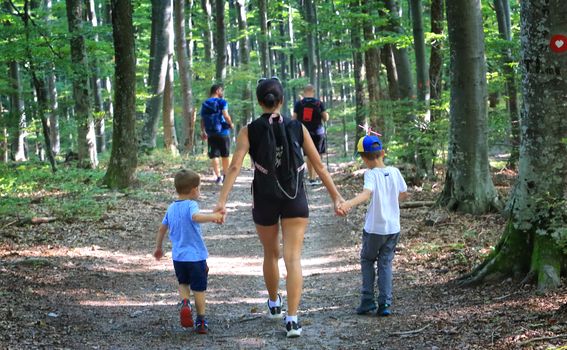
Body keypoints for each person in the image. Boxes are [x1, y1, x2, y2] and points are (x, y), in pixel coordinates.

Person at [214, 77, 345, 338]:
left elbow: (235, 166)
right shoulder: (298, 128)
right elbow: (318, 166)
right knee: (293, 257)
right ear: (283, 101)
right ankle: (293, 320)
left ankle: (274, 304)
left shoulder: (248, 130)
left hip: (265, 197)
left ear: (259, 101)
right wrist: (336, 197)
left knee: (271, 253)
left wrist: (221, 202)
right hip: (295, 196)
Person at [338, 135, 408, 316]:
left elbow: (366, 195)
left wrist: (348, 204)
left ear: (363, 158)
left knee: (367, 260)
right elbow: (403, 193)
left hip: (374, 228)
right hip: (393, 228)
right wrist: (393, 203)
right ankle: (384, 304)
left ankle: (367, 300)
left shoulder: (370, 174)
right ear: (382, 153)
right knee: (385, 263)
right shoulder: (395, 172)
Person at [153, 169, 223, 334]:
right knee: (199, 288)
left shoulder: (171, 207)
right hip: (196, 257)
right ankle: (201, 320)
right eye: (198, 188)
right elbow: (195, 217)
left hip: (178, 258)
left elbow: (162, 229)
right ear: (193, 189)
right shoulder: (192, 204)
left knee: (183, 283)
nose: (199, 191)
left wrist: (158, 248)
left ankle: (185, 303)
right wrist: (214, 216)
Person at [292, 84, 330, 185]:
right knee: (318, 154)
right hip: (318, 132)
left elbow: (293, 119)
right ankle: (315, 177)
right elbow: (325, 118)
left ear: (304, 92)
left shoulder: (299, 104)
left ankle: (312, 178)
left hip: (304, 133)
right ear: (313, 92)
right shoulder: (318, 103)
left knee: (308, 154)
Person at [200, 84, 234, 185]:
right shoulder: (222, 102)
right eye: (221, 91)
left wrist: (203, 131)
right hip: (223, 132)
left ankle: (218, 177)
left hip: (211, 133)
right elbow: (225, 115)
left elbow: (202, 119)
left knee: (214, 155)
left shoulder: (205, 103)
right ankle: (226, 176)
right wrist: (231, 124)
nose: (222, 93)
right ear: (218, 90)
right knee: (225, 155)